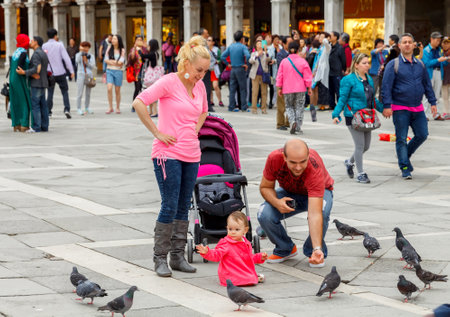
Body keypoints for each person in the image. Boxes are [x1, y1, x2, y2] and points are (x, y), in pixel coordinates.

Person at [131, 35, 210, 277]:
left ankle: (177, 256)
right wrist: (157, 132)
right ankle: (160, 258)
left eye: (205, 72)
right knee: (169, 204)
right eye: (199, 70)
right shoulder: (169, 82)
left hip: (191, 153)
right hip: (167, 154)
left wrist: (194, 129)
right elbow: (139, 102)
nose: (201, 75)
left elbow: (204, 111)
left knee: (184, 205)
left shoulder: (200, 87)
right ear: (186, 63)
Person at [257, 139, 334, 267]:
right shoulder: (274, 158)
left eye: (303, 162)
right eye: (293, 162)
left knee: (322, 212)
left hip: (320, 192)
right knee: (263, 213)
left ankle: (313, 251)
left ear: (308, 156)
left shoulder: (314, 168)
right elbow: (265, 187)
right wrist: (277, 202)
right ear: (284, 157)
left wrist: (316, 248)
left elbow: (314, 214)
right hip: (290, 191)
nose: (298, 167)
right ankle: (285, 248)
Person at [381, 33, 437, 179]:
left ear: (414, 45)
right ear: (399, 46)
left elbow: (427, 85)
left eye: (409, 42)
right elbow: (386, 87)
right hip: (400, 108)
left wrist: (432, 102)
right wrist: (387, 105)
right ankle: (405, 167)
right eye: (404, 42)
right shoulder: (393, 64)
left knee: (422, 134)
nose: (407, 44)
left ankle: (405, 155)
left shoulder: (420, 64)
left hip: (417, 108)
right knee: (401, 138)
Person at [332, 53, 384, 183]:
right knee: (360, 146)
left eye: (368, 63)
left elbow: (373, 99)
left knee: (366, 146)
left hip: (367, 116)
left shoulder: (369, 79)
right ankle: (361, 173)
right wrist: (336, 114)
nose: (367, 65)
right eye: (364, 63)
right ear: (356, 65)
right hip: (353, 117)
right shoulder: (348, 79)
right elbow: (342, 98)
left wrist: (384, 110)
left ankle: (349, 162)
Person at [196, 211, 268, 286]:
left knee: (250, 277)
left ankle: (251, 277)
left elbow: (248, 259)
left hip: (241, 271)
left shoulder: (246, 243)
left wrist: (259, 257)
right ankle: (250, 278)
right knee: (249, 278)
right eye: (230, 229)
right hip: (230, 274)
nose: (233, 232)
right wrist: (207, 252)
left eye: (237, 229)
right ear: (227, 228)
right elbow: (217, 254)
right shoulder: (226, 243)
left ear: (245, 230)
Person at [276, 41, 313, 134]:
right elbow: (308, 76)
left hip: (287, 89)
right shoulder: (302, 61)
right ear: (298, 50)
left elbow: (280, 75)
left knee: (289, 106)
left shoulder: (284, 62)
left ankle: (292, 121)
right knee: (299, 107)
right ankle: (298, 126)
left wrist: (280, 87)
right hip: (300, 88)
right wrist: (309, 87)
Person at [17, 36, 49, 132]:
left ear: (36, 42)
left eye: (32, 41)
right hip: (43, 82)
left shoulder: (36, 54)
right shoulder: (43, 53)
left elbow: (37, 69)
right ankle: (44, 126)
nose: (30, 42)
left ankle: (36, 127)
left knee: (35, 105)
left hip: (37, 83)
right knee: (43, 105)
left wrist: (24, 72)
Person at [43, 28, 74, 119]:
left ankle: (48, 112)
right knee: (64, 91)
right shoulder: (60, 45)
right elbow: (66, 58)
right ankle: (66, 109)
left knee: (50, 92)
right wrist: (71, 71)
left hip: (49, 73)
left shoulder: (44, 46)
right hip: (60, 72)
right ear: (55, 36)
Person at [422, 31, 449, 120]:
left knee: (437, 94)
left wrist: (446, 60)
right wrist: (438, 60)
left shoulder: (439, 50)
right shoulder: (426, 50)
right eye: (437, 40)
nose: (438, 42)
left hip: (438, 72)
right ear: (431, 39)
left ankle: (436, 114)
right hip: (429, 73)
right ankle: (425, 114)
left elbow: (442, 63)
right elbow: (426, 63)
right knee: (427, 93)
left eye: (439, 40)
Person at [221, 31, 251, 112]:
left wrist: (228, 64)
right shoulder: (243, 47)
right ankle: (243, 107)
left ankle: (231, 106)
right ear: (242, 39)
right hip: (240, 68)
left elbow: (222, 56)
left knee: (232, 89)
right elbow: (248, 55)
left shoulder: (231, 46)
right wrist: (246, 64)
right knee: (243, 89)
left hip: (232, 69)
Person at [10, 34, 32, 132]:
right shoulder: (23, 53)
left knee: (16, 101)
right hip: (20, 79)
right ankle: (24, 124)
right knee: (24, 101)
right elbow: (19, 67)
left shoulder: (16, 52)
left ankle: (16, 124)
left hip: (13, 79)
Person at [139, 39, 161, 117]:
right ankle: (151, 111)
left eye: (149, 45)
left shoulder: (152, 54)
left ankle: (154, 112)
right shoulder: (155, 53)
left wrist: (140, 49)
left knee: (152, 93)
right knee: (150, 93)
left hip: (152, 77)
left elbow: (142, 56)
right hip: (153, 77)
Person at [104, 34, 126, 114]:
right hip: (109, 70)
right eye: (112, 39)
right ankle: (110, 107)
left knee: (117, 90)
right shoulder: (109, 48)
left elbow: (121, 62)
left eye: (115, 39)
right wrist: (115, 62)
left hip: (118, 71)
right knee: (109, 88)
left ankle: (117, 107)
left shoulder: (122, 50)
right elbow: (106, 60)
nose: (113, 40)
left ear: (118, 41)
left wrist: (112, 62)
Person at [275, 35, 293, 130]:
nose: (291, 45)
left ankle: (287, 121)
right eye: (289, 43)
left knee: (290, 103)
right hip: (282, 81)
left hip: (291, 81)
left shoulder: (293, 54)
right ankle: (280, 123)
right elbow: (282, 68)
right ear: (284, 43)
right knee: (281, 104)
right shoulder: (281, 54)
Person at [249, 40, 270, 114]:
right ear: (256, 46)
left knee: (264, 92)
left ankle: (263, 109)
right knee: (255, 91)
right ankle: (254, 108)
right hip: (255, 75)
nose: (260, 45)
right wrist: (257, 55)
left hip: (264, 74)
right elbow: (251, 61)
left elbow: (268, 60)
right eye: (258, 44)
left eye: (261, 44)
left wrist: (266, 51)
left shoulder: (265, 53)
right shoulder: (253, 53)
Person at [311, 32, 331, 111]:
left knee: (324, 87)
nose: (320, 39)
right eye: (320, 37)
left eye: (322, 37)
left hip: (324, 70)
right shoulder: (320, 48)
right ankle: (321, 104)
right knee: (320, 88)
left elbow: (327, 45)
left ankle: (325, 105)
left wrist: (326, 39)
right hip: (318, 70)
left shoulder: (327, 47)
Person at [127, 35, 148, 108]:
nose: (139, 41)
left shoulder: (144, 49)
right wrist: (134, 49)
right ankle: (134, 105)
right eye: (138, 40)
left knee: (142, 88)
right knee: (137, 88)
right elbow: (131, 59)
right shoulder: (133, 49)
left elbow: (146, 58)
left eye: (140, 40)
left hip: (143, 71)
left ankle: (142, 104)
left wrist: (146, 47)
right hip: (136, 72)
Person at [75, 41, 95, 115]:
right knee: (79, 93)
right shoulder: (78, 54)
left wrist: (86, 61)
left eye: (87, 47)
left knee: (88, 93)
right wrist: (81, 53)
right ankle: (79, 108)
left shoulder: (91, 56)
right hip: (80, 75)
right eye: (84, 47)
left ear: (89, 48)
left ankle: (87, 107)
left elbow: (92, 66)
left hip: (89, 75)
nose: (85, 48)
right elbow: (77, 61)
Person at [328, 31, 347, 111]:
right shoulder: (329, 47)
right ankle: (332, 104)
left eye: (331, 36)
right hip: (330, 72)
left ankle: (341, 105)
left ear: (335, 37)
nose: (329, 37)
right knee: (331, 90)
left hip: (337, 72)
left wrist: (344, 69)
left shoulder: (340, 48)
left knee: (338, 89)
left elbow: (343, 60)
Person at [378, 34, 400, 101]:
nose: (388, 41)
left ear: (393, 41)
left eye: (389, 40)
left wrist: (384, 66)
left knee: (384, 87)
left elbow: (390, 62)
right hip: (392, 71)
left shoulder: (394, 50)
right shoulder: (396, 49)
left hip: (389, 71)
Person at [199, 28, 214, 112]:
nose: (207, 34)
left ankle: (206, 104)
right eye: (206, 33)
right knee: (205, 87)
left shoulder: (203, 43)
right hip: (204, 68)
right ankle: (206, 105)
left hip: (205, 68)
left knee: (206, 87)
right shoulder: (201, 44)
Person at [207, 37, 224, 107]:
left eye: (210, 40)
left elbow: (220, 58)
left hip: (214, 69)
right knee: (209, 86)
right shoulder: (205, 49)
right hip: (207, 69)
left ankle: (220, 100)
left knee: (215, 86)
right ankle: (211, 101)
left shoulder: (217, 50)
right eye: (208, 40)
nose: (208, 42)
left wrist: (218, 61)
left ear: (213, 42)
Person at [441, 37, 450, 119]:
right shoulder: (440, 52)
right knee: (445, 96)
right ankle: (446, 112)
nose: (445, 44)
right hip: (444, 76)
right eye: (444, 43)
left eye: (447, 43)